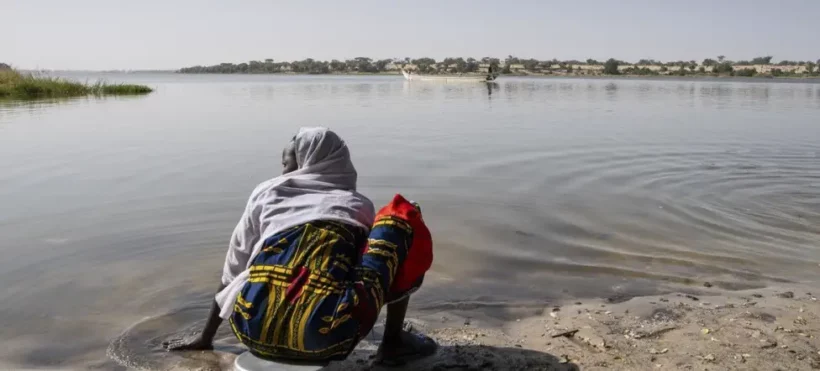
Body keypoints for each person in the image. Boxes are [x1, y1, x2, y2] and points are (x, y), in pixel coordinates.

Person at [163, 127, 436, 365]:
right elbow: (365, 268)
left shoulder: (265, 193)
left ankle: (284, 328)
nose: (282, 172)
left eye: (286, 165)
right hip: (331, 337)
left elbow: (232, 270)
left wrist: (206, 337)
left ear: (306, 165)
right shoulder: (357, 204)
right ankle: (392, 341)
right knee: (403, 215)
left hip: (250, 331)